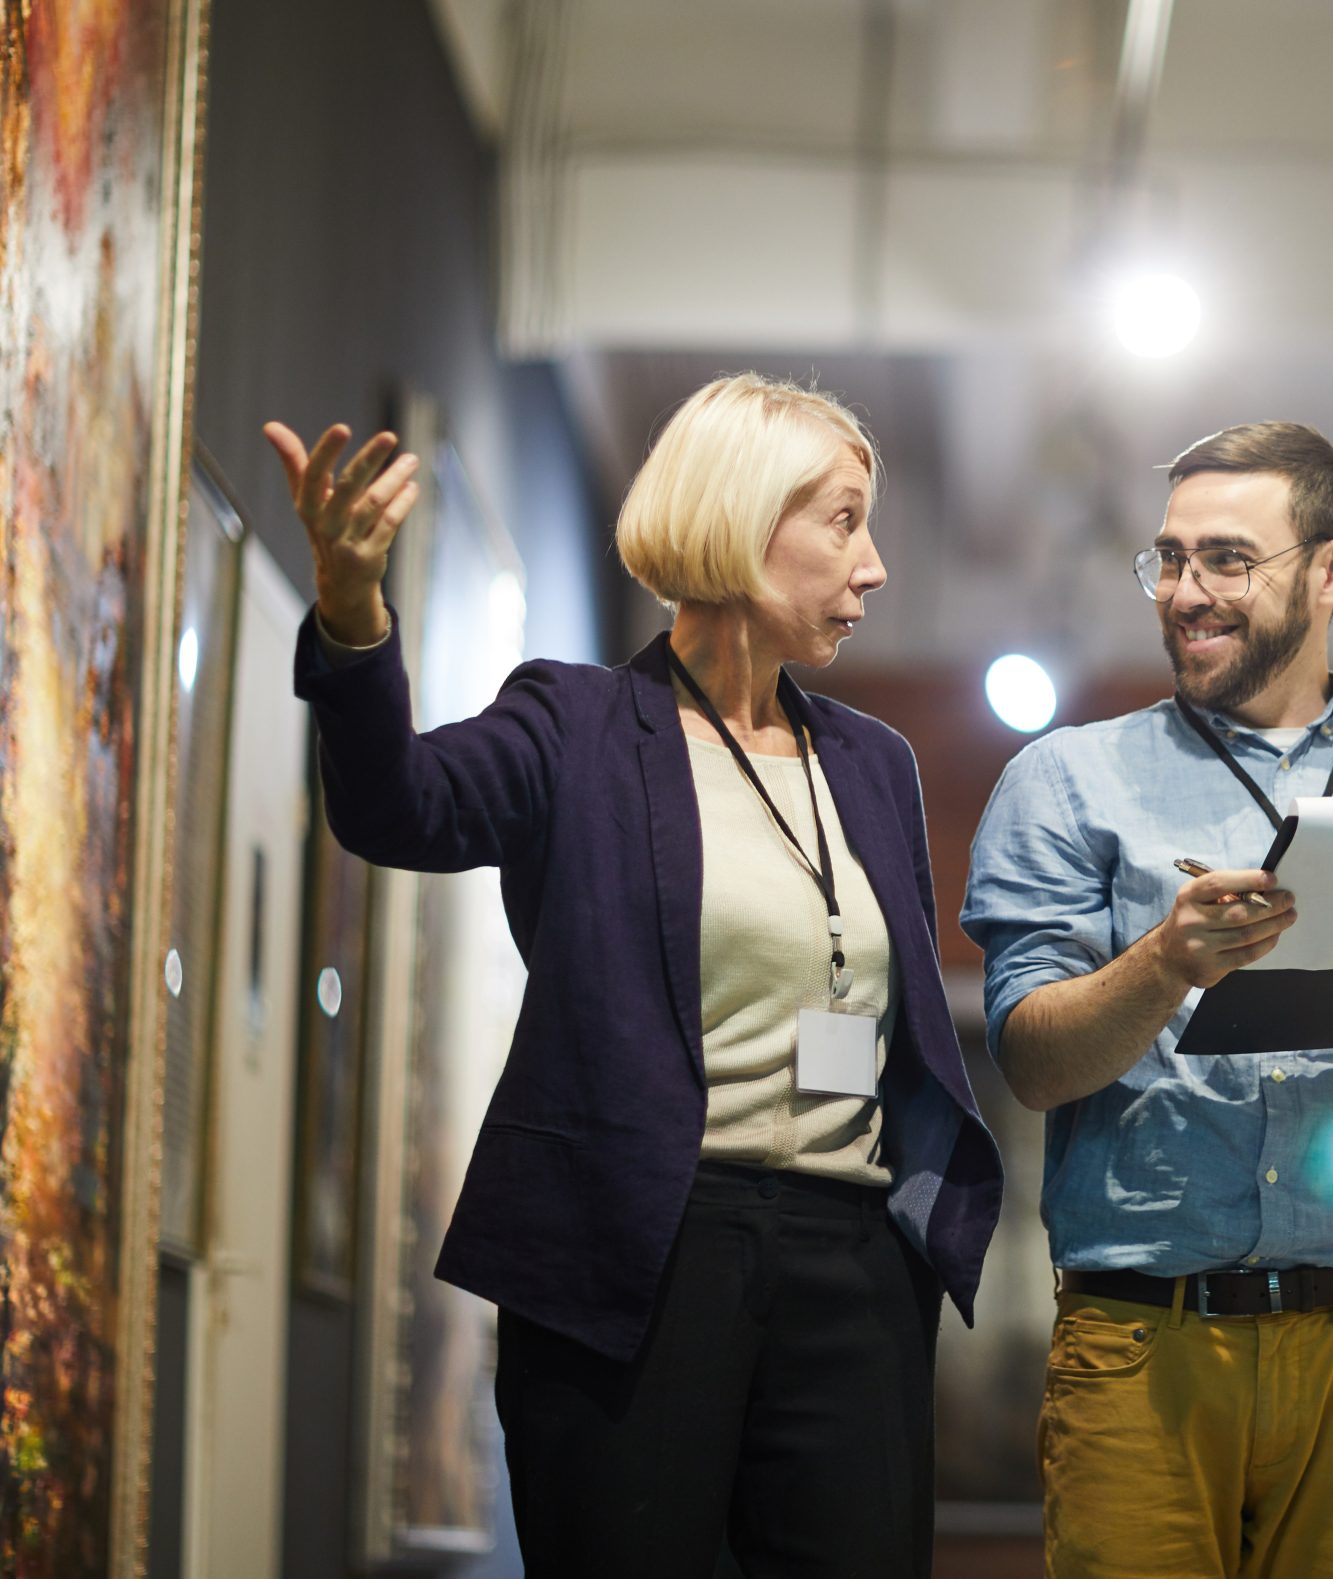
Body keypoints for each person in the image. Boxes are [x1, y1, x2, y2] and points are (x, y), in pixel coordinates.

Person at [267, 373, 1000, 1577]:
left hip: (853, 1260)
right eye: (843, 521)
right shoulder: (576, 722)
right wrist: (353, 614)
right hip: (640, 1252)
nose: (873, 568)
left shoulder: (875, 763)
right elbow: (398, 809)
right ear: (739, 518)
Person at [961, 421, 1333, 1577]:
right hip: (1140, 1347)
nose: (1187, 592)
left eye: (1228, 559)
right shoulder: (1066, 779)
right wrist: (1164, 966)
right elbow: (1031, 1061)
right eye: (1169, 559)